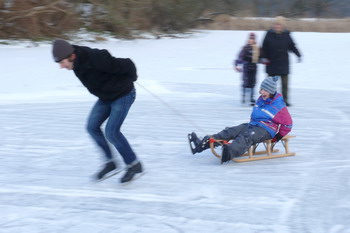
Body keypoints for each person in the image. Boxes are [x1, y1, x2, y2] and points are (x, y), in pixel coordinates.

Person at [52, 39, 143, 183]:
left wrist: (132, 77)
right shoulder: (76, 64)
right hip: (106, 97)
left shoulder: (94, 57)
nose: (61, 67)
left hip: (123, 93)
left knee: (112, 132)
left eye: (62, 63)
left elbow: (127, 63)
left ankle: (134, 165)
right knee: (91, 127)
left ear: (71, 56)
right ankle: (110, 162)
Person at [188, 76, 293, 164]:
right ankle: (202, 143)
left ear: (271, 91)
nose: (261, 92)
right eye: (261, 89)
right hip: (254, 125)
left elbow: (288, 124)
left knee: (247, 136)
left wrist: (277, 137)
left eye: (264, 90)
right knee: (231, 131)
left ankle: (230, 151)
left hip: (267, 130)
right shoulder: (261, 99)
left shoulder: (279, 106)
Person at [261, 16, 302, 106]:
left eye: (279, 24)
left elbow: (292, 46)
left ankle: (284, 100)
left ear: (283, 25)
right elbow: (264, 47)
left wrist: (298, 54)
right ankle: (269, 100)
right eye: (276, 24)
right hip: (271, 63)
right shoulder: (269, 34)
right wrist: (263, 57)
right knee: (270, 85)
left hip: (283, 63)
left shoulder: (286, 34)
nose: (277, 26)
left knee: (285, 84)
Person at [234, 32, 260, 106]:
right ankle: (244, 96)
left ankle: (252, 98)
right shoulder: (245, 48)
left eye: (253, 38)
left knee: (253, 83)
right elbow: (240, 57)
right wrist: (237, 64)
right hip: (246, 67)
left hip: (254, 68)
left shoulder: (257, 48)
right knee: (245, 83)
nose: (251, 40)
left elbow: (260, 57)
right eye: (250, 38)